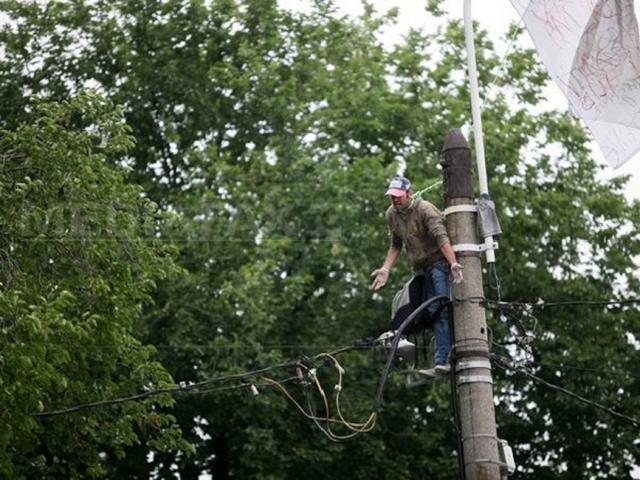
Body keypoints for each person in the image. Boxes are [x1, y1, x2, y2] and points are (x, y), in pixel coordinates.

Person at [371, 175, 463, 376]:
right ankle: (435, 354)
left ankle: (444, 360)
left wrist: (453, 263)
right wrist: (386, 269)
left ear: (409, 193)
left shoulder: (425, 209)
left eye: (398, 196)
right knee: (421, 311)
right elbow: (396, 243)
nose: (395, 200)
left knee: (440, 308)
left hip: (439, 264)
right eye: (392, 196)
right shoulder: (391, 215)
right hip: (420, 269)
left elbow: (441, 237)